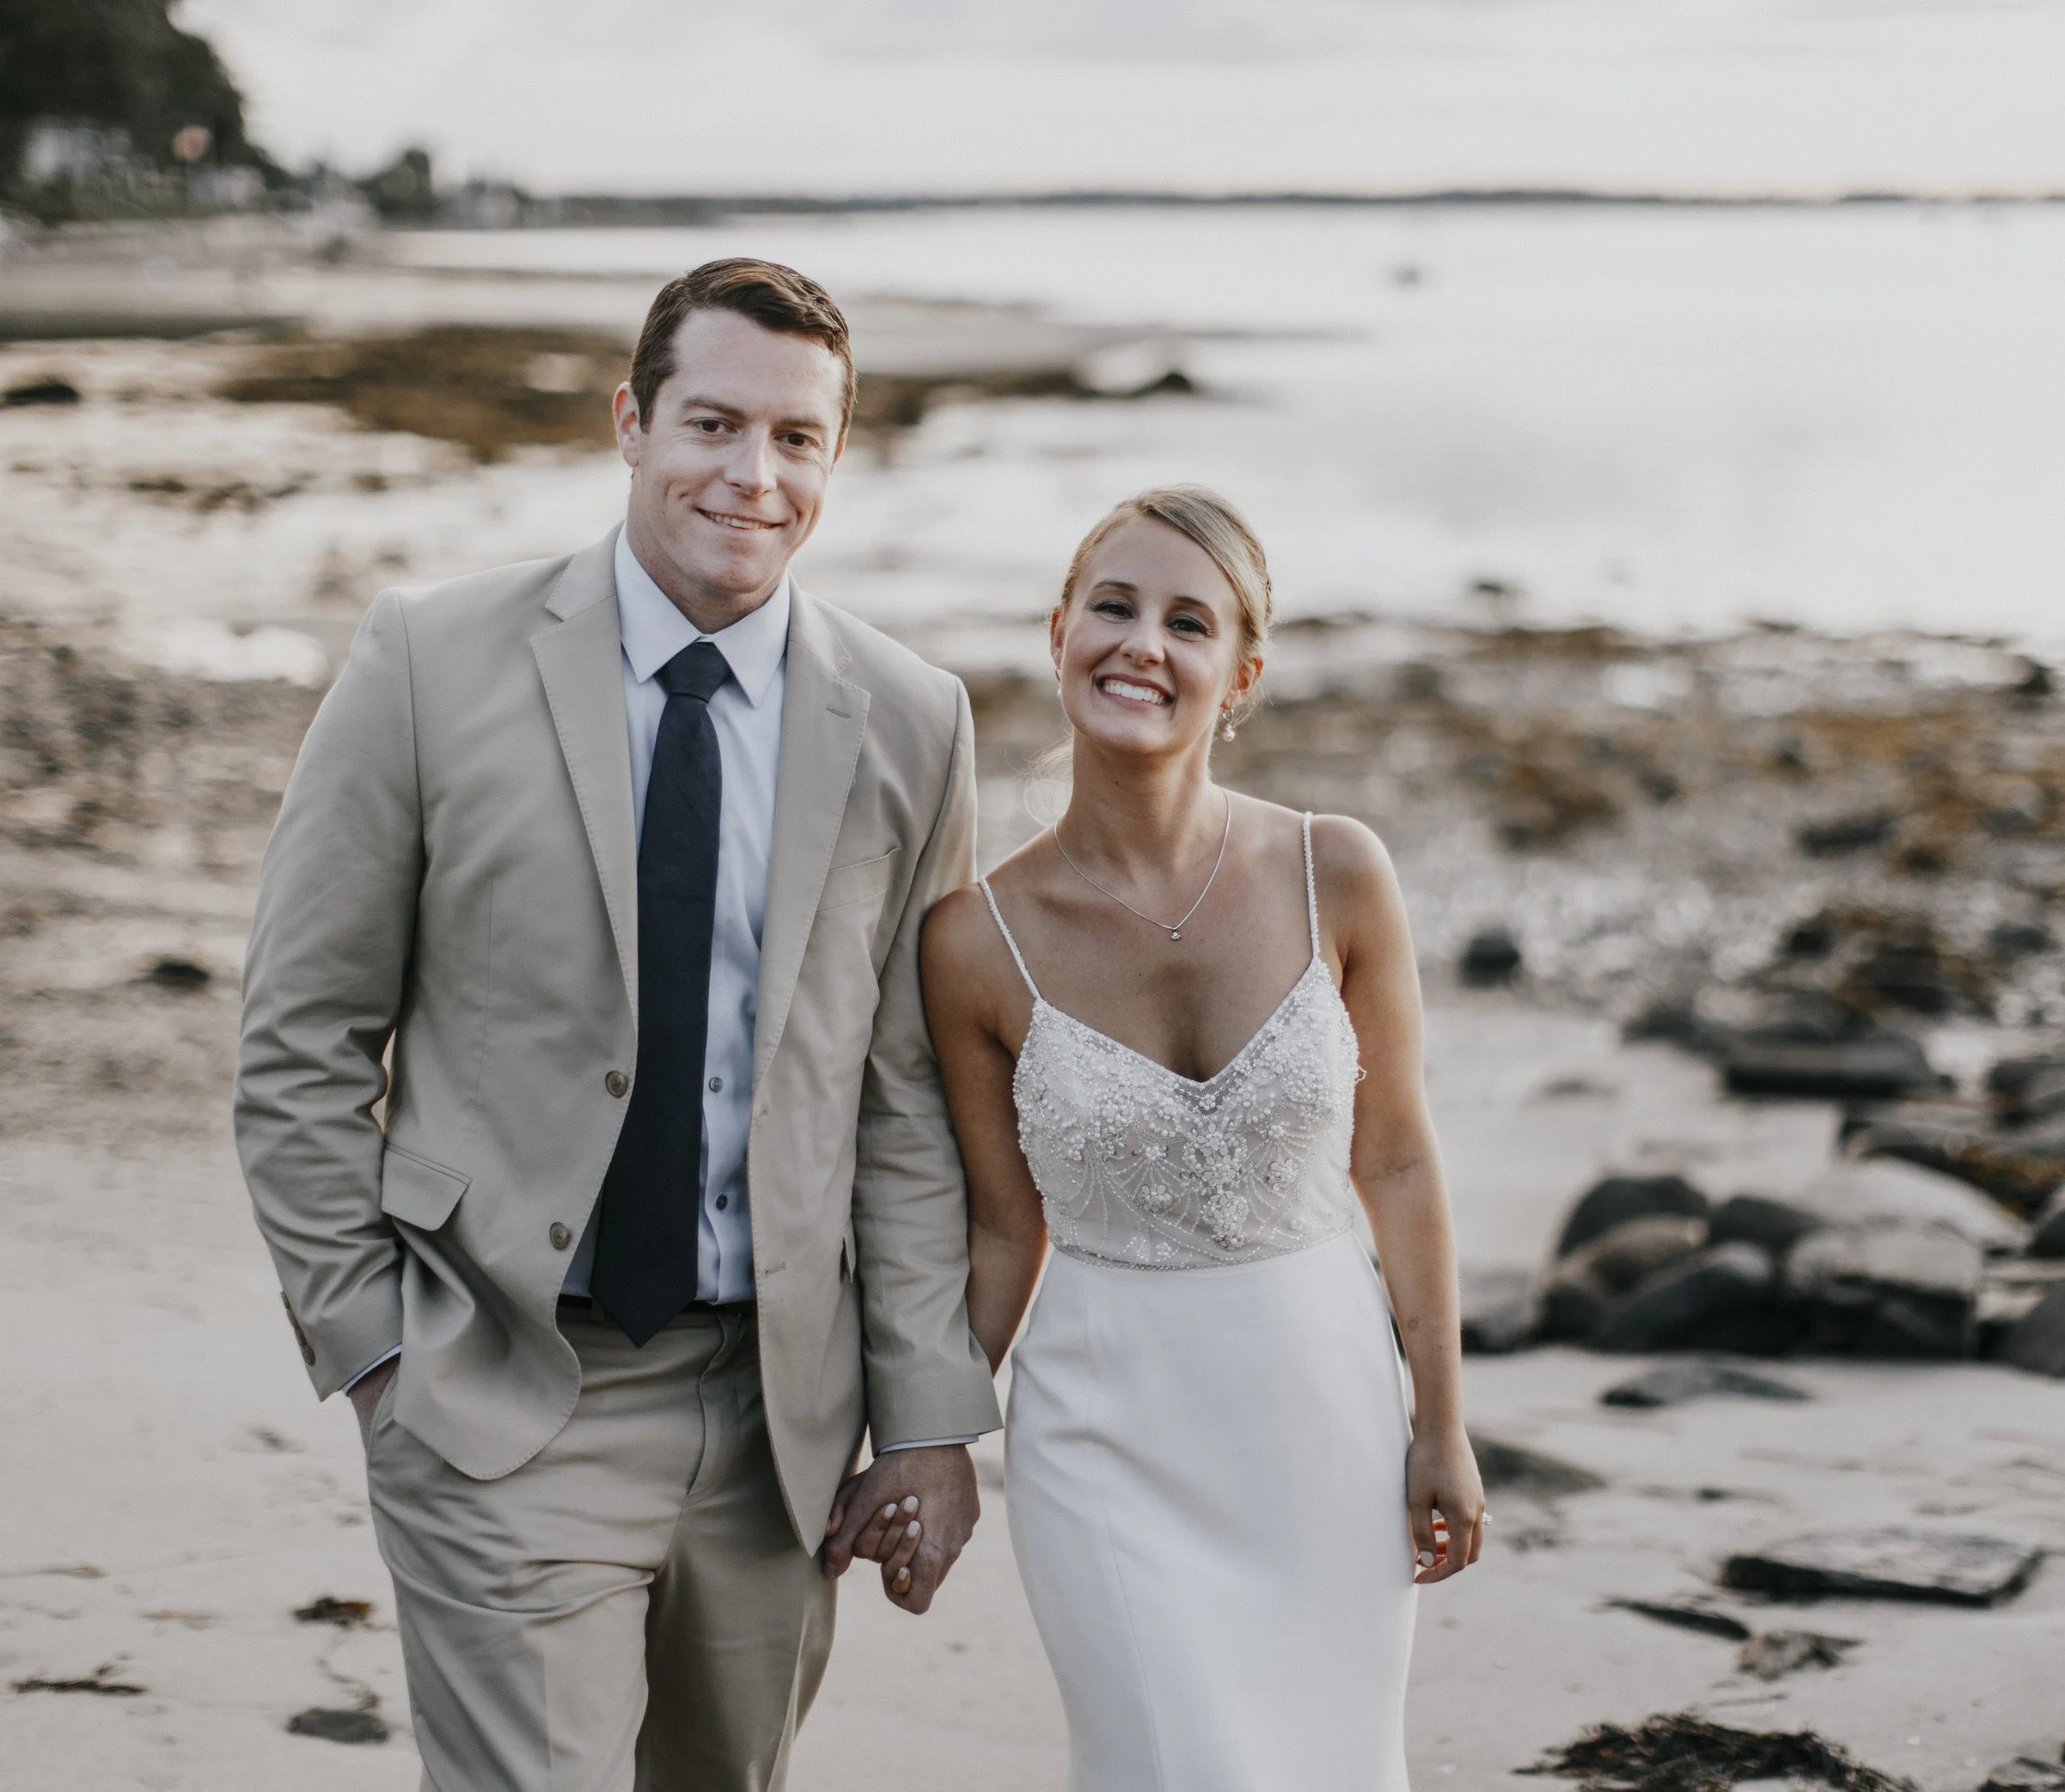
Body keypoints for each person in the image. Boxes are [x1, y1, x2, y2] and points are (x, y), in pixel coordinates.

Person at [234, 258, 1001, 1792]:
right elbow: (300, 1042)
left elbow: (905, 1106)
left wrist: (927, 1417)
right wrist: (377, 1354)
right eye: (713, 423)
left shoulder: (915, 719)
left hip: (781, 1420)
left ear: (835, 460)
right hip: (503, 1385)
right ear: (631, 423)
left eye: (797, 440)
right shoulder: (427, 660)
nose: (752, 475)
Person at [923, 486, 1487, 1791]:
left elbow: (1396, 1159)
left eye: (1189, 622)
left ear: (1241, 674)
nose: (1142, 645)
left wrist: (1441, 1424)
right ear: (1059, 631)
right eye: (1113, 606)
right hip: (1102, 1428)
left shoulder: (1336, 872)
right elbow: (1006, 1232)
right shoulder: (973, 942)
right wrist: (926, 1439)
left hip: (1322, 1418)